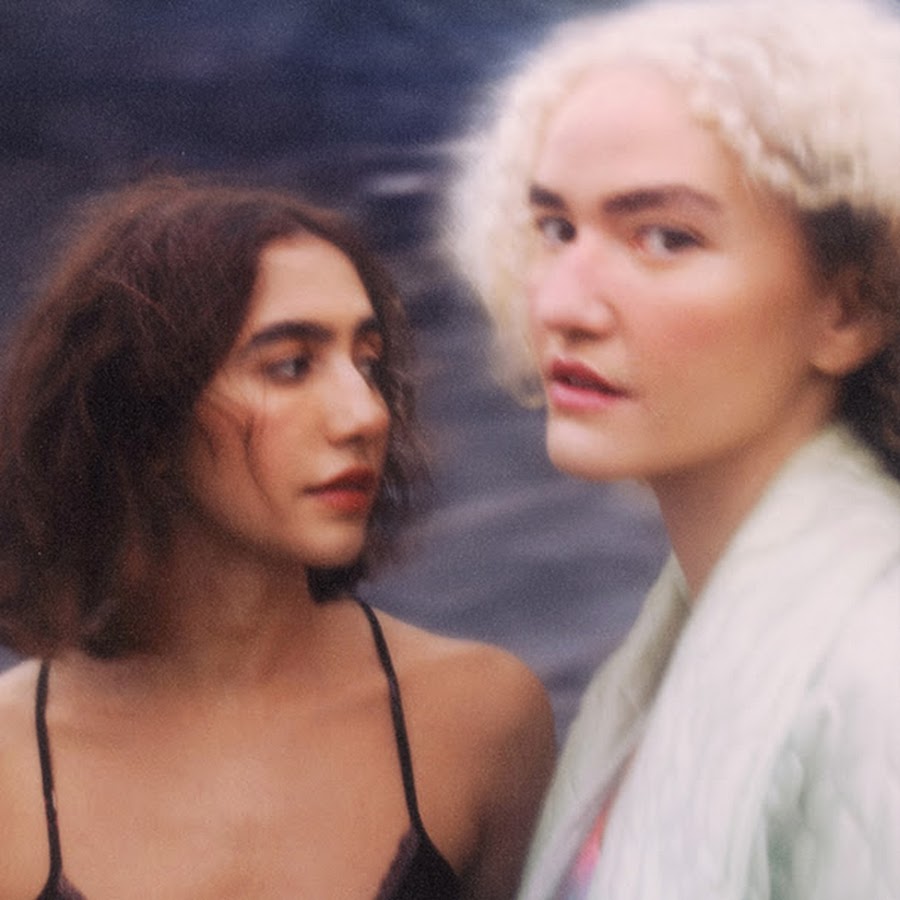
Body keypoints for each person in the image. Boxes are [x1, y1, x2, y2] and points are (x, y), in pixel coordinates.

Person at [449, 0, 900, 897]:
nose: (563, 304)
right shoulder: (682, 630)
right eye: (555, 229)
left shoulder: (873, 677)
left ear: (850, 309)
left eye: (664, 238)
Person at [0, 176, 556, 899]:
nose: (366, 414)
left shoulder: (479, 722)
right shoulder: (12, 768)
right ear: (146, 416)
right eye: (291, 366)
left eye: (368, 363)